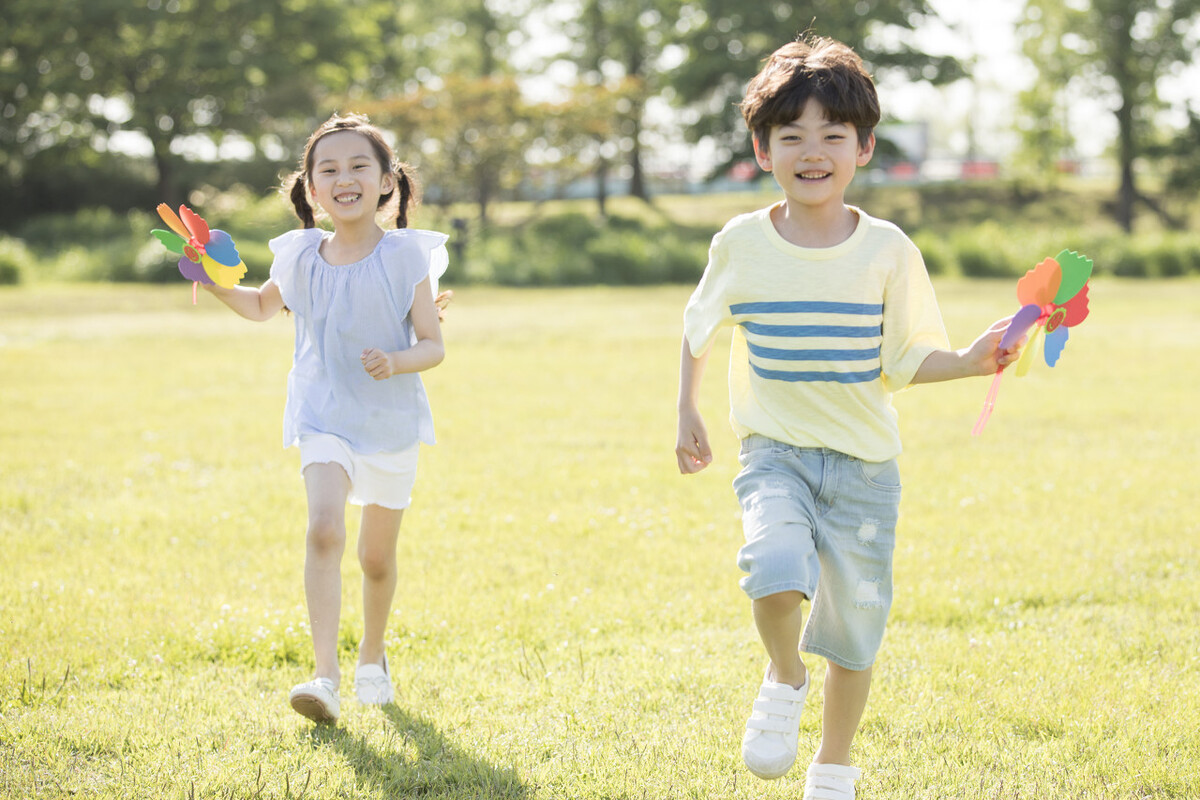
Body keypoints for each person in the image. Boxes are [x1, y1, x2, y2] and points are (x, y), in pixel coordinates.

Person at [674, 38, 1022, 800]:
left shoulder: (888, 251)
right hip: (776, 454)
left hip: (865, 471)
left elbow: (906, 358)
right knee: (772, 569)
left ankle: (833, 767)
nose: (813, 152)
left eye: (833, 135)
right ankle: (785, 673)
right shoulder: (741, 244)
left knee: (856, 631)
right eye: (792, 135)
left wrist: (971, 360)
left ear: (863, 147)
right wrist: (686, 410)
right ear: (763, 149)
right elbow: (698, 327)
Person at [204, 113, 450, 724]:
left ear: (387, 181)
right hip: (322, 414)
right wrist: (211, 279)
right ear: (311, 188)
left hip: (389, 424)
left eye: (359, 166)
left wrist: (396, 360)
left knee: (375, 559)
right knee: (322, 529)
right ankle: (325, 677)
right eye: (329, 169)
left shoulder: (405, 257)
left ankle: (372, 655)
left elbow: (432, 345)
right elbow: (260, 307)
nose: (345, 178)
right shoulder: (299, 255)